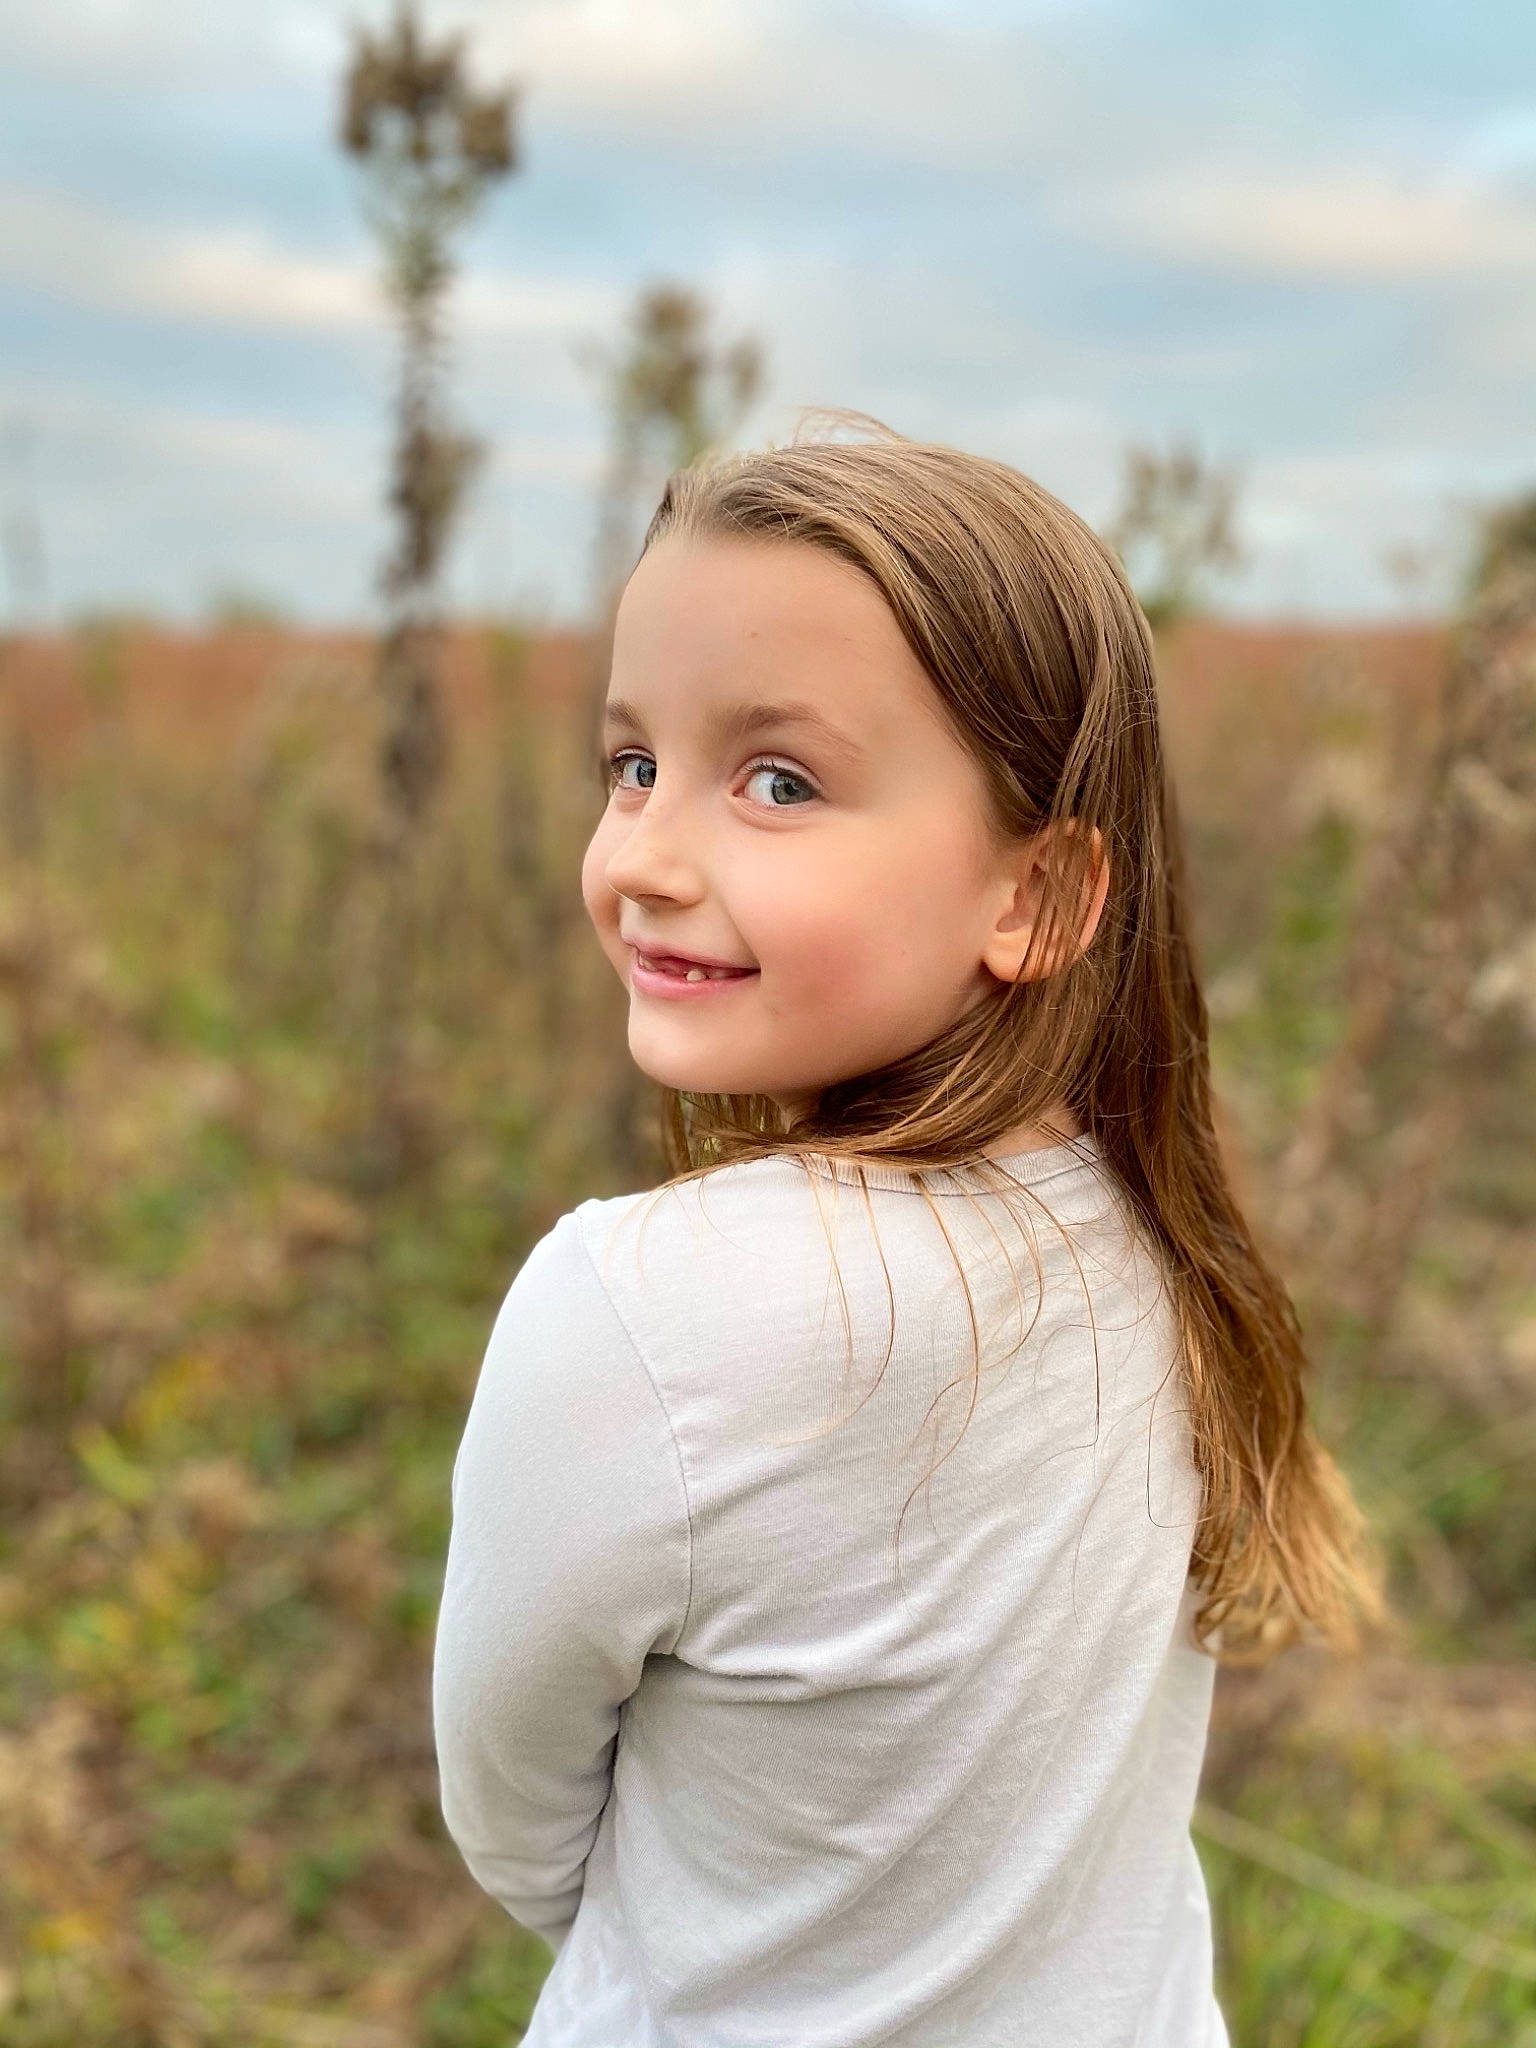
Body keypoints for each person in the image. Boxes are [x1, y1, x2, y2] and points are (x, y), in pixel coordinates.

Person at [431, 418, 1383, 2046]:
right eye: (632, 763)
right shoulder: (1153, 1231)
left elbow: (517, 1820)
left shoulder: (643, 1312)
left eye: (779, 781)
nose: (645, 857)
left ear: (1039, 897)